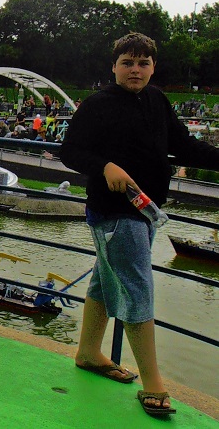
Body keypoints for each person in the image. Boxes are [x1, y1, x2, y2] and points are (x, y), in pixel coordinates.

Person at [60, 32, 219, 417]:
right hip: (114, 212)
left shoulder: (157, 100)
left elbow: (184, 146)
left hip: (146, 211)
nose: (135, 70)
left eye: (143, 63)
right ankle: (153, 384)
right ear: (114, 66)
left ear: (153, 67)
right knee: (137, 289)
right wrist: (105, 166)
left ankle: (88, 352)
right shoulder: (98, 104)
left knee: (105, 281)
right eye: (127, 62)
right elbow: (70, 151)